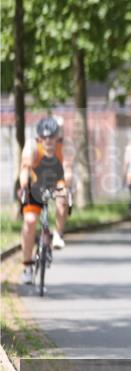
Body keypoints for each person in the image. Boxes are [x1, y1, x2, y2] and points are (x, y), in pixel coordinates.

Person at [17, 117, 72, 284]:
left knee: (63, 198)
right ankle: (27, 266)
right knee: (30, 222)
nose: (48, 141)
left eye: (52, 137)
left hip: (57, 181)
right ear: (39, 137)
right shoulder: (31, 147)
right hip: (35, 185)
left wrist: (66, 186)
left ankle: (57, 234)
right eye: (44, 137)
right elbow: (25, 169)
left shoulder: (65, 147)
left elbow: (68, 170)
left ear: (57, 137)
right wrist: (25, 186)